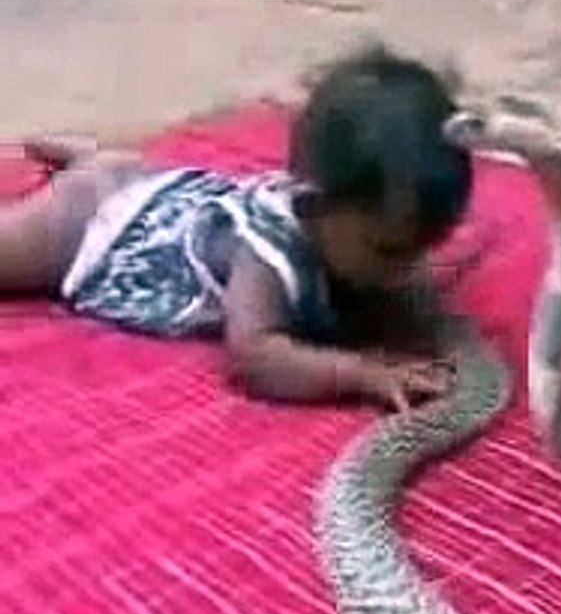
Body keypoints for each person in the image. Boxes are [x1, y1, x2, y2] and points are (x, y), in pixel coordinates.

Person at [0, 44, 474, 413]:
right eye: (388, 251)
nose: (410, 270)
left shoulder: (344, 219)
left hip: (162, 188)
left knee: (125, 169)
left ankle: (94, 159)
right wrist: (360, 374)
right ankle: (90, 168)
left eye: (425, 248)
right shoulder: (266, 255)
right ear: (311, 206)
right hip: (101, 226)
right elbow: (254, 356)